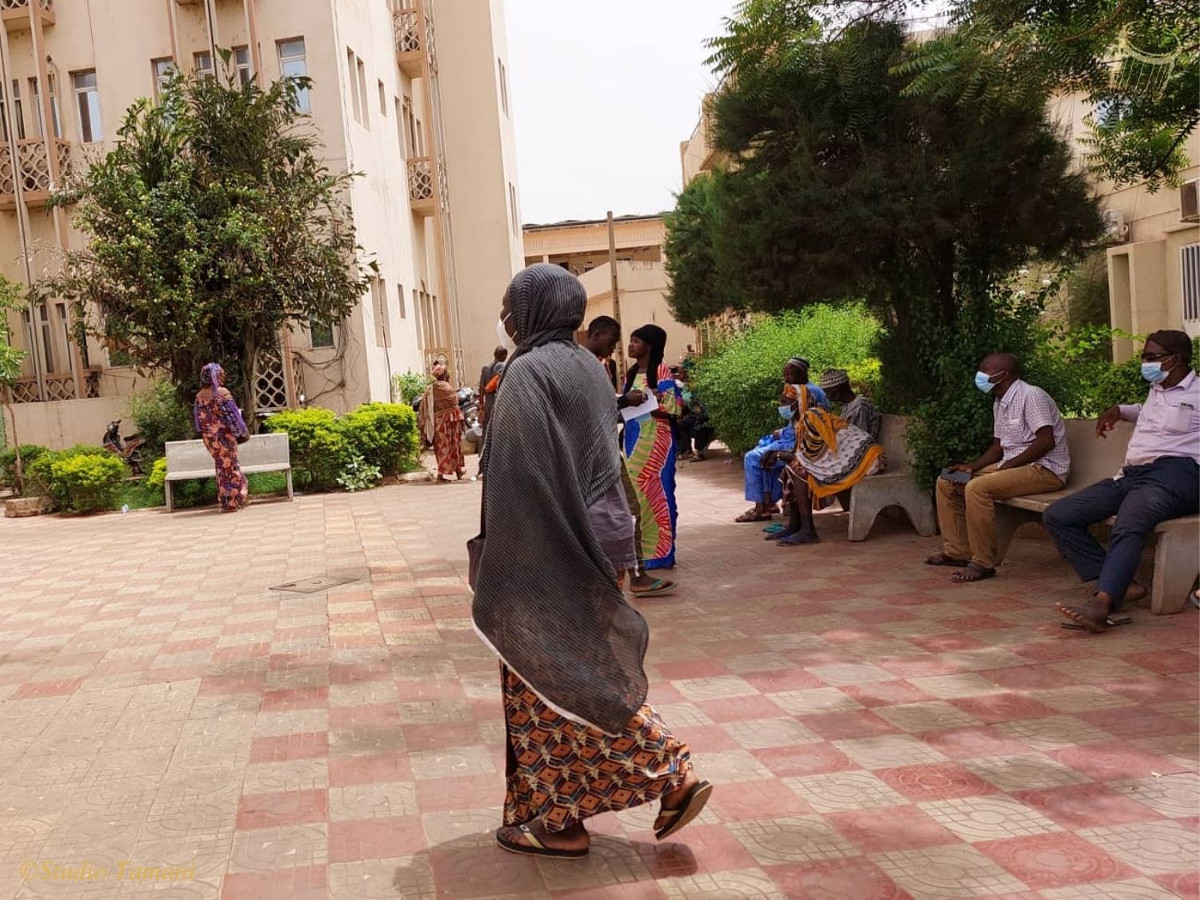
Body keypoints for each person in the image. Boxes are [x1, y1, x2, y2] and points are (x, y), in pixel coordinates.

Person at [474, 264, 711, 859]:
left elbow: (522, 474)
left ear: (534, 310)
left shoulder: (527, 372)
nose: (504, 317)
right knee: (577, 666)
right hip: (600, 531)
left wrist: (507, 557)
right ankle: (563, 816)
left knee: (546, 676)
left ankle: (658, 774)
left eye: (510, 307)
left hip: (549, 540)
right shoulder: (585, 364)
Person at [1048, 331, 1199, 633]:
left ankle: (1102, 604)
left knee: (1130, 521)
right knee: (1059, 515)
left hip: (1177, 474)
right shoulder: (1157, 389)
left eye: (1151, 357)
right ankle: (1123, 585)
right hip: (1133, 475)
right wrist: (1119, 410)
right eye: (1144, 356)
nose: (1144, 362)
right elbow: (1151, 414)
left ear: (1176, 359)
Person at [927, 353, 1069, 583]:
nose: (980, 374)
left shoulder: (1031, 396)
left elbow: (1046, 441)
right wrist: (972, 467)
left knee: (977, 488)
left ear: (1005, 375)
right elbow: (998, 446)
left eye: (986, 370)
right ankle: (957, 552)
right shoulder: (1000, 402)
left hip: (1045, 471)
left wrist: (1006, 468)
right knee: (947, 480)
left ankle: (982, 562)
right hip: (1013, 467)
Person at [771, 372, 885, 546]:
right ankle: (795, 525)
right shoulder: (806, 419)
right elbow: (813, 451)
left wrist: (780, 455)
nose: (781, 407)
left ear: (798, 402)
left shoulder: (812, 416)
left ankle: (808, 530)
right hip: (856, 454)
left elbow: (814, 453)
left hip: (866, 458)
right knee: (793, 468)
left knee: (801, 472)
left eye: (784, 403)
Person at [620, 324, 683, 593]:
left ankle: (661, 553)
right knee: (637, 496)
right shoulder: (632, 372)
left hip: (657, 439)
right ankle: (642, 552)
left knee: (658, 492)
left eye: (636, 341)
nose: (630, 345)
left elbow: (674, 407)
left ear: (649, 345)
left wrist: (646, 401)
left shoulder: (661, 371)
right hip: (633, 438)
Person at [736, 357, 829, 523]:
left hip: (800, 441)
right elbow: (794, 421)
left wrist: (787, 437)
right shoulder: (796, 388)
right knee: (762, 445)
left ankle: (761, 508)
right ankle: (768, 503)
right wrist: (781, 432)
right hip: (789, 436)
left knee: (753, 458)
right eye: (784, 375)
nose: (786, 378)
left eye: (789, 374)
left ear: (801, 373)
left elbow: (809, 425)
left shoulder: (809, 392)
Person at [193, 362, 250, 513]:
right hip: (224, 436)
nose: (224, 376)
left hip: (210, 439)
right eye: (222, 374)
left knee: (222, 466)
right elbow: (233, 416)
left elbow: (199, 421)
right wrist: (240, 431)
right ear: (215, 376)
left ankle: (226, 500)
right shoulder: (221, 392)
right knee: (231, 466)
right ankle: (234, 500)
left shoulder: (199, 396)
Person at [420, 362, 467, 482]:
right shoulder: (448, 388)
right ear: (445, 375)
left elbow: (425, 407)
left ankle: (449, 473)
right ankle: (453, 472)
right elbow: (455, 404)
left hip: (438, 424)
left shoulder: (431, 389)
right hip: (451, 422)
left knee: (441, 447)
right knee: (454, 446)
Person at [820, 368, 880, 441]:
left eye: (827, 392)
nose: (826, 396)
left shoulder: (860, 407)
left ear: (837, 391)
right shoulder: (847, 406)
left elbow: (861, 440)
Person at [585, 315, 622, 391]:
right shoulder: (580, 364)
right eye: (611, 341)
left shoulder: (603, 364)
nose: (614, 347)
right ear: (596, 335)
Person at [478, 346, 508, 426]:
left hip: (488, 404)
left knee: (487, 427)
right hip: (499, 404)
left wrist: (481, 405)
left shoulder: (485, 368)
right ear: (504, 356)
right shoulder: (503, 367)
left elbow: (481, 388)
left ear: (494, 354)